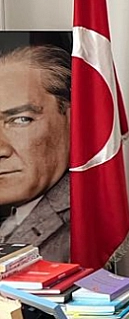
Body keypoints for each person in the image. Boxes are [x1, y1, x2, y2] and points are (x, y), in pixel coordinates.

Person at [0, 43, 71, 262]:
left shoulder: (83, 230)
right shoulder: (14, 215)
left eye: (21, 120)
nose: (1, 149)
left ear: (72, 120)